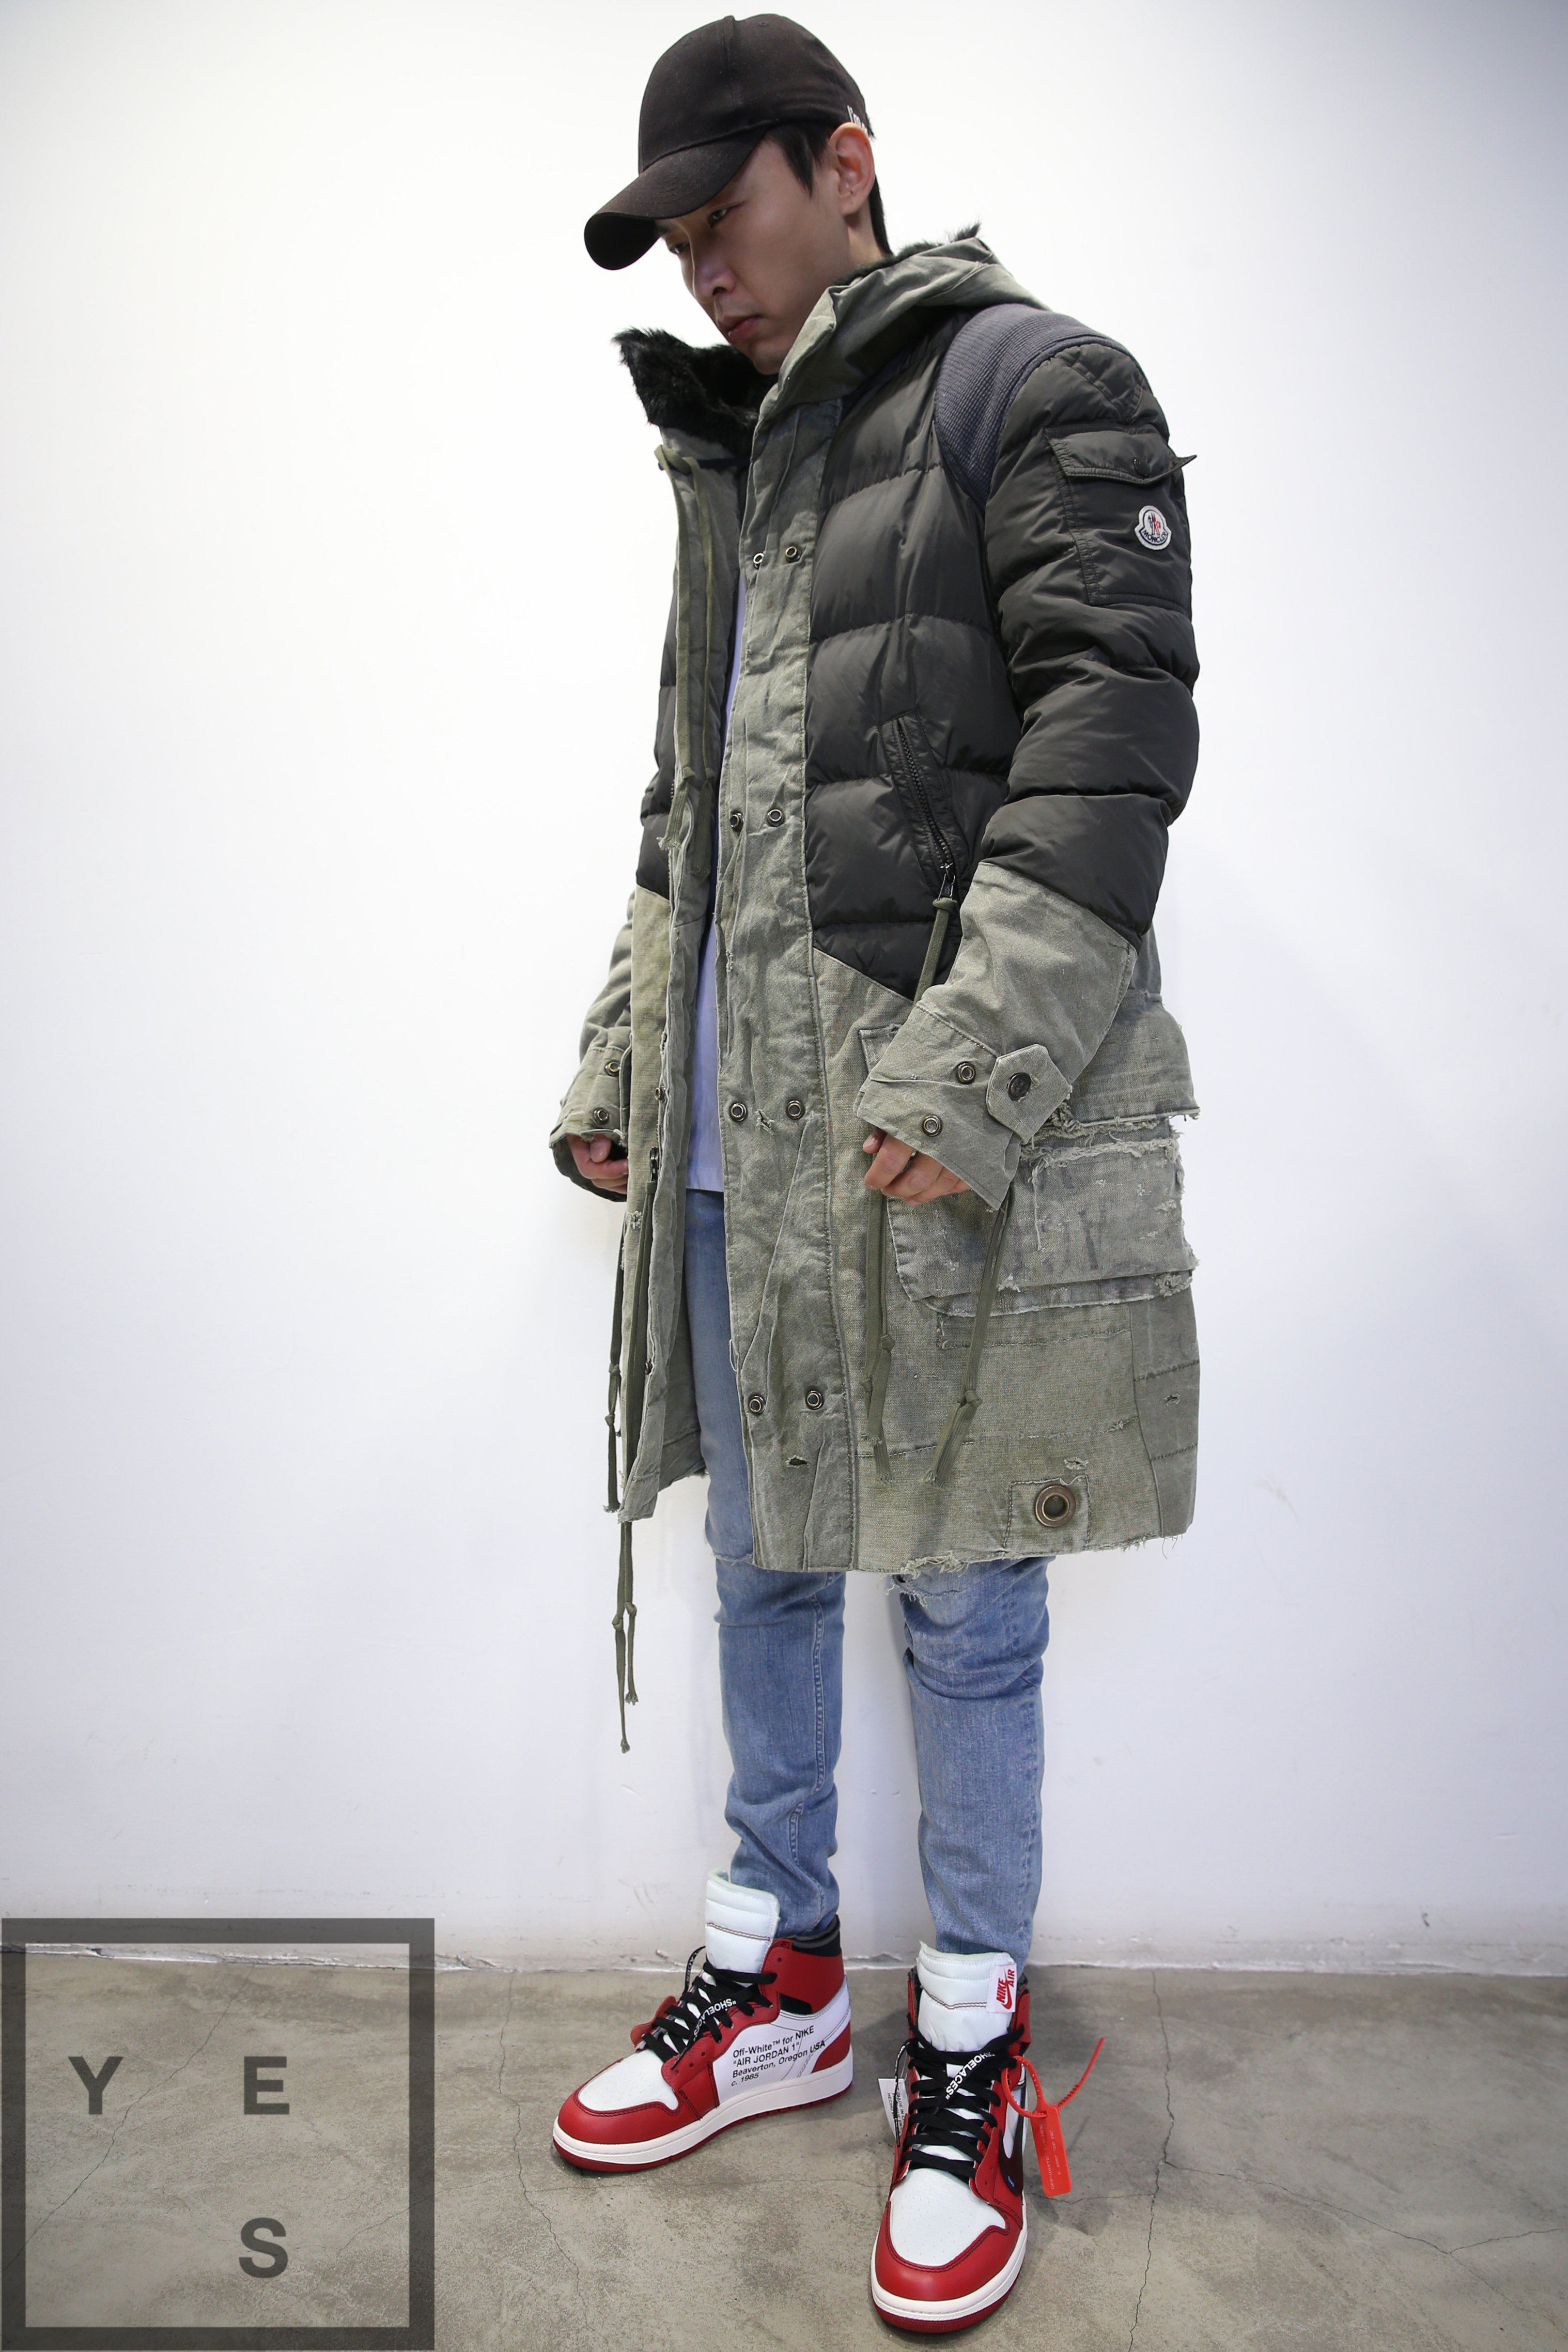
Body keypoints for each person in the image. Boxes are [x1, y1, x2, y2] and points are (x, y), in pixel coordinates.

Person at [545, 13, 1200, 2332]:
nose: (702, 267)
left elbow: (1111, 745)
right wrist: (628, 1051)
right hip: (750, 1135)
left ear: (845, 163)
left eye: (723, 215)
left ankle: (974, 2030)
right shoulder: (730, 449)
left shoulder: (1039, 385)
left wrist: (976, 1065)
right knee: (765, 1556)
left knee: (962, 1595)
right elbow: (690, 803)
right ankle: (783, 1970)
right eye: (670, 239)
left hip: (935, 1137)